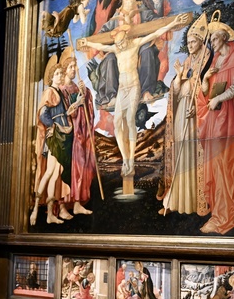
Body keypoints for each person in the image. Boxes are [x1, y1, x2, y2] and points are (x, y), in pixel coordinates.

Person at [81, 12, 190, 177]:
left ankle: (131, 160)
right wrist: (87, 42)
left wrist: (173, 22)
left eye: (122, 42)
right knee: (117, 123)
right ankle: (125, 159)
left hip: (133, 86)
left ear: (127, 38)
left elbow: (155, 33)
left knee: (130, 120)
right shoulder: (117, 48)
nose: (120, 45)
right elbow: (102, 47)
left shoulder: (135, 44)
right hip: (122, 89)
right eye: (118, 43)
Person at [196, 17, 234, 234]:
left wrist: (219, 99)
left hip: (230, 119)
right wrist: (205, 80)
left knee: (227, 163)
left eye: (214, 38)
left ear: (223, 37)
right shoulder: (216, 61)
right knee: (217, 164)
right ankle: (219, 212)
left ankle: (225, 215)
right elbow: (209, 92)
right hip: (216, 120)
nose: (212, 42)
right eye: (211, 39)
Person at [90, 0, 169, 107]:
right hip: (121, 51)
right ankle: (112, 96)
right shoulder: (116, 16)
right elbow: (102, 33)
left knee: (147, 50)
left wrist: (160, 24)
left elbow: (156, 22)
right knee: (110, 58)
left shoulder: (143, 11)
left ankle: (146, 92)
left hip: (139, 48)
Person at [159, 12, 211, 216]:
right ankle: (176, 201)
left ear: (200, 41)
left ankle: (192, 202)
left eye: (193, 41)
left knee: (191, 156)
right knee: (181, 155)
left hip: (195, 116)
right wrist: (179, 77)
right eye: (188, 42)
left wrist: (198, 104)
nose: (190, 45)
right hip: (182, 114)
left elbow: (208, 90)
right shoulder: (187, 63)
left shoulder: (206, 61)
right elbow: (177, 92)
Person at [30, 54, 73, 225]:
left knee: (55, 174)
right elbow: (43, 113)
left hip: (63, 136)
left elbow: (61, 113)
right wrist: (53, 126)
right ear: (51, 77)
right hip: (55, 136)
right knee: (49, 172)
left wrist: (72, 109)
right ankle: (35, 209)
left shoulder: (59, 92)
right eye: (57, 74)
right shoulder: (49, 91)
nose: (60, 76)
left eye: (61, 74)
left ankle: (49, 214)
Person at [59, 51, 96, 215]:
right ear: (65, 70)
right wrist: (78, 102)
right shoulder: (61, 90)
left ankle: (77, 202)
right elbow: (65, 114)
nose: (74, 69)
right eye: (71, 67)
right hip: (69, 135)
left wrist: (85, 93)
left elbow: (86, 108)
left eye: (75, 66)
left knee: (82, 166)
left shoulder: (76, 87)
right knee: (70, 169)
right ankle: (66, 203)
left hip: (80, 133)